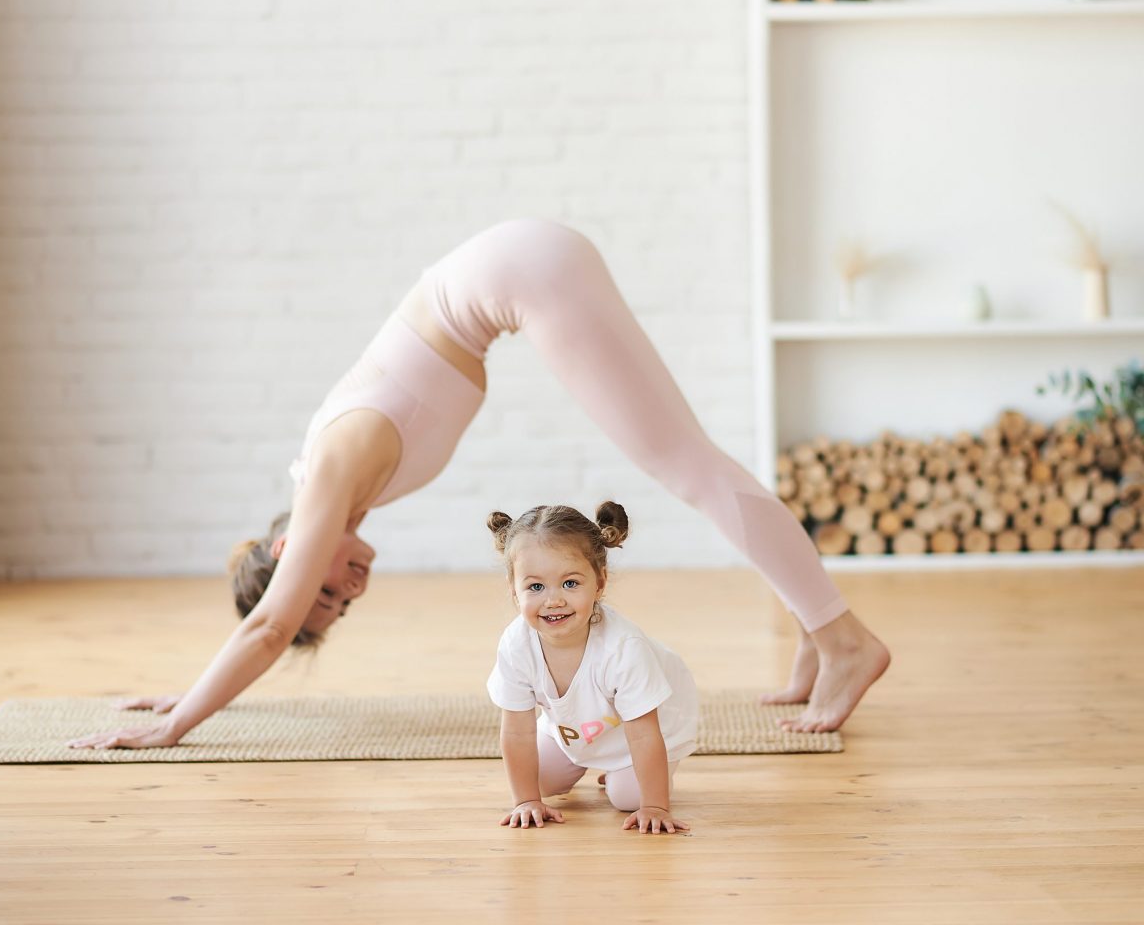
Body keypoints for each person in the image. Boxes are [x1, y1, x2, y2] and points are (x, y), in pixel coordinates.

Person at [68, 219, 889, 751]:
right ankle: (821, 639)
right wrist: (197, 687)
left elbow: (266, 629)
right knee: (690, 462)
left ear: (289, 550)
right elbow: (270, 621)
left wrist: (180, 721)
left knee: (688, 464)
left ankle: (844, 637)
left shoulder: (326, 472)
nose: (350, 588)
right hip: (524, 269)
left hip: (523, 274)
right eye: (341, 605)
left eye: (325, 589)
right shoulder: (350, 489)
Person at [487, 502, 695, 835]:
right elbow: (516, 731)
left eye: (570, 583)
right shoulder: (516, 644)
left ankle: (629, 772)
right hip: (579, 728)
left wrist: (655, 806)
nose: (553, 600)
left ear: (599, 582)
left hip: (645, 729)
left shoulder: (623, 649)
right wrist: (525, 800)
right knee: (538, 780)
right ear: (515, 592)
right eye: (536, 587)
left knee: (629, 797)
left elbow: (643, 734)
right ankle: (585, 761)